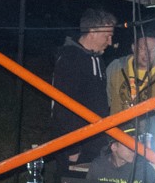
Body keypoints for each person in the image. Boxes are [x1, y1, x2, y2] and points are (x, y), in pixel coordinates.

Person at [49, 9, 116, 161]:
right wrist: (72, 148)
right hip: (76, 147)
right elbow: (62, 106)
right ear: (92, 32)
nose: (110, 42)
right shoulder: (70, 59)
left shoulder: (98, 59)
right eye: (107, 36)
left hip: (96, 143)